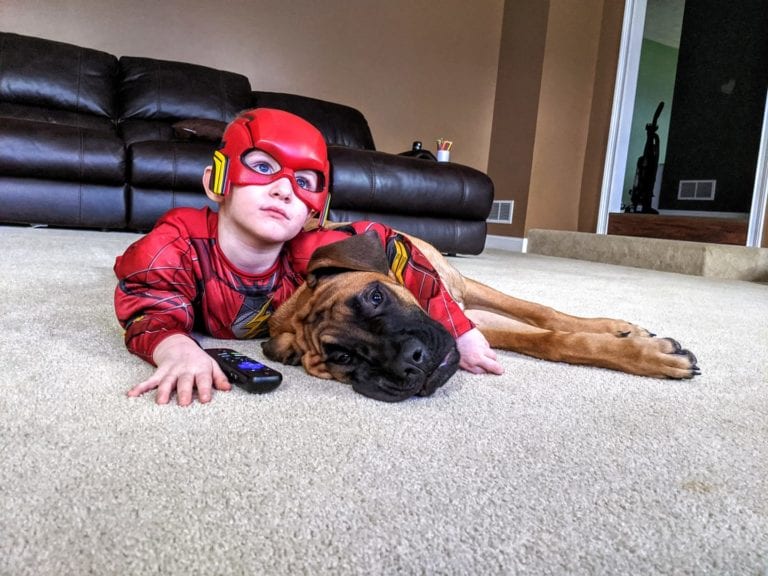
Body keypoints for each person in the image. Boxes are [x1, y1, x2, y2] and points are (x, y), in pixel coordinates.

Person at [114, 108, 503, 406]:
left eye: (303, 182)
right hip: (169, 273)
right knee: (137, 270)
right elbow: (149, 306)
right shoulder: (175, 246)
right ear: (218, 180)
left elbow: (391, 247)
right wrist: (178, 349)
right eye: (263, 167)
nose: (284, 189)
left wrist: (459, 328)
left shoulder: (313, 251)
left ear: (316, 210)